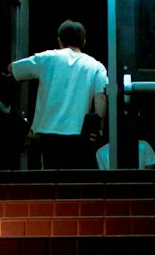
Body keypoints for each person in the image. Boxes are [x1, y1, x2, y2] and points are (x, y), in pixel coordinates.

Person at [9, 20, 108, 169]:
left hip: (47, 133)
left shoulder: (47, 58)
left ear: (59, 40)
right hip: (78, 133)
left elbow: (13, 69)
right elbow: (100, 97)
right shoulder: (96, 66)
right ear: (84, 42)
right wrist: (98, 128)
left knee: (50, 182)